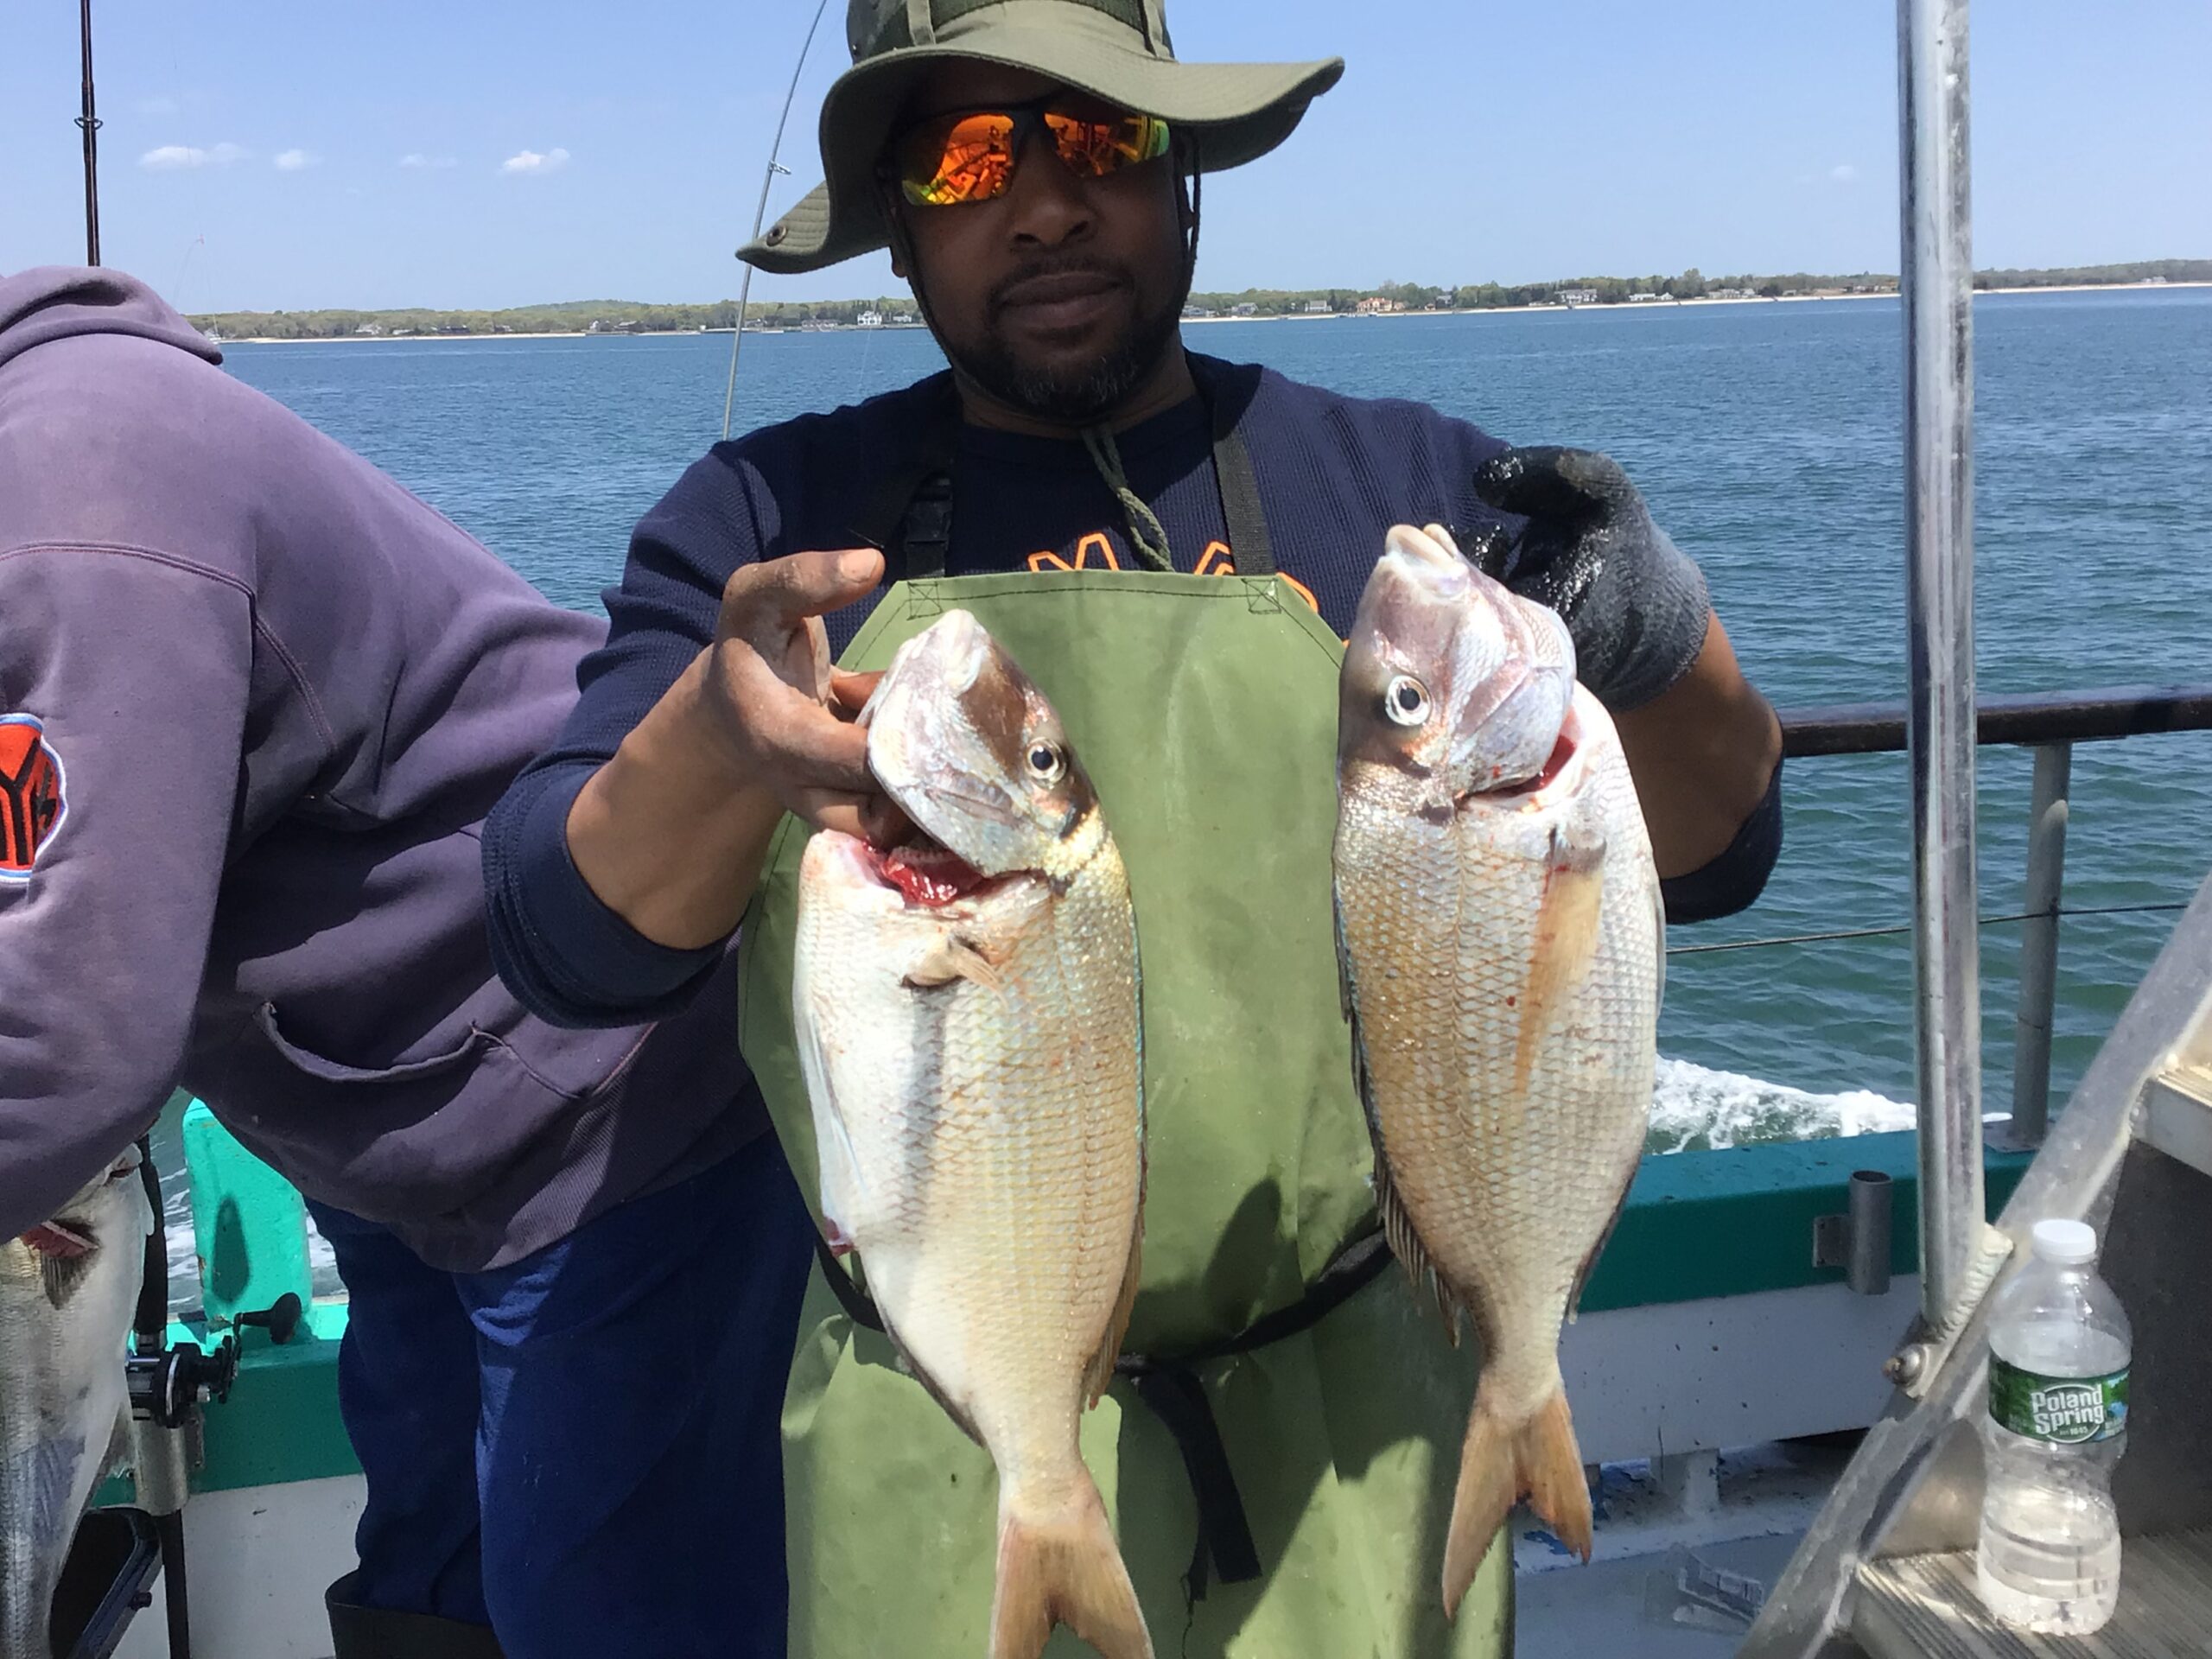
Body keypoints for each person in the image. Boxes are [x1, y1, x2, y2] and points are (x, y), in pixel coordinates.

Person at [485, 0, 1784, 1652]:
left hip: (1362, 1422)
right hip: (949, 1422)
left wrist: (1657, 638)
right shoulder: (771, 522)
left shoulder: (1406, 491)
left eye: (1100, 135)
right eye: (969, 157)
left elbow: (1723, 849)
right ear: (900, 223)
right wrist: (716, 742)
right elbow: (564, 940)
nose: (1044, 203)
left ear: (1183, 174)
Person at [0, 268, 812, 1659]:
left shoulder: (80, 491)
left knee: (600, 1602)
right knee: (428, 1577)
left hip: (596, 1102)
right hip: (378, 1110)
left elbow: (69, 1039)